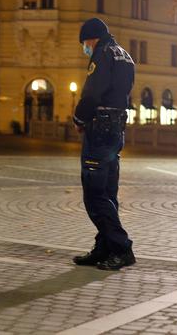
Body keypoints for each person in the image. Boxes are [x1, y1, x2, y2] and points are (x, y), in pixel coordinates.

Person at [72, 18, 136, 271]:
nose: (84, 48)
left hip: (99, 130)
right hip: (116, 128)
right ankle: (104, 247)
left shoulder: (102, 54)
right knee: (108, 193)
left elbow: (92, 93)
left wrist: (79, 118)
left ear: (92, 38)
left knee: (95, 194)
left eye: (84, 43)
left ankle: (122, 248)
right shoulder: (125, 55)